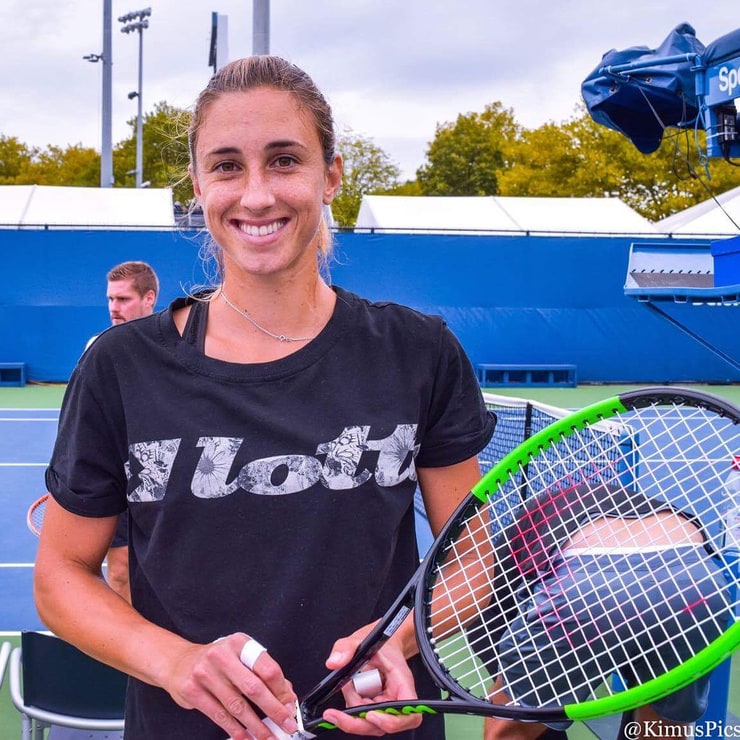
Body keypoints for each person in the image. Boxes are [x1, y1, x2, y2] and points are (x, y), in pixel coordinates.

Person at [35, 56, 496, 740]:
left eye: (284, 160)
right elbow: (62, 575)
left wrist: (399, 639)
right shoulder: (120, 367)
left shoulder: (417, 352)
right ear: (197, 185)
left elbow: (474, 553)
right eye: (226, 166)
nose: (255, 196)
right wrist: (177, 663)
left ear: (330, 175)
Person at [482, 481, 731, 740]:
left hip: (584, 585)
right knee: (661, 728)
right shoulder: (627, 500)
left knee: (510, 728)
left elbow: (497, 642)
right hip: (696, 582)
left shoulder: (495, 574)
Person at [83, 261, 160, 603]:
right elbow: (86, 421)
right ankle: (128, 651)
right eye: (110, 299)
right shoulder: (97, 348)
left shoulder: (175, 346)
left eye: (123, 299)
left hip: (165, 475)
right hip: (120, 477)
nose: (114, 308)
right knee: (119, 570)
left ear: (149, 298)